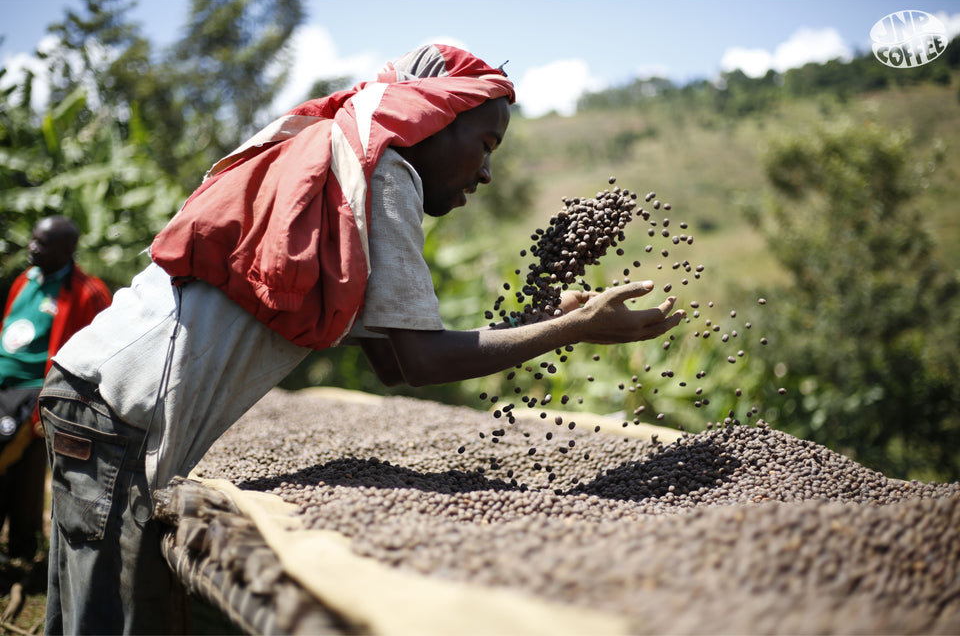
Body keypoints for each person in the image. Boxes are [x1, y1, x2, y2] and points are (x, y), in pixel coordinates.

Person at [38, 44, 685, 635]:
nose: (485, 173)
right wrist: (574, 327)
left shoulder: (346, 160)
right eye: (485, 144)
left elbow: (393, 358)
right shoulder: (383, 169)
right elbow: (422, 360)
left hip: (97, 401)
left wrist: (542, 319)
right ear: (436, 117)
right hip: (112, 411)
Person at [0, 216, 110, 561]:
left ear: (67, 250)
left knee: (12, 460)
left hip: (37, 391)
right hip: (5, 384)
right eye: (34, 239)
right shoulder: (24, 281)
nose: (33, 247)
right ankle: (17, 546)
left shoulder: (87, 292)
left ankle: (22, 546)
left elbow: (97, 355)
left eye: (43, 243)